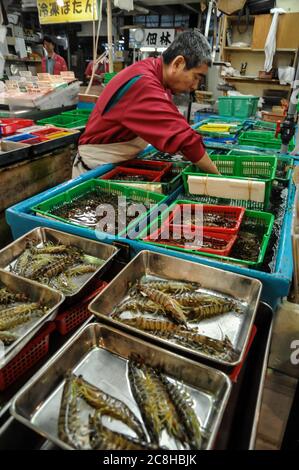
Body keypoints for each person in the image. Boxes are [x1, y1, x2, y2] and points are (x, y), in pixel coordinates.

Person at [72, 31, 219, 178]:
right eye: (196, 77)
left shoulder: (157, 77)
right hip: (94, 170)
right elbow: (185, 140)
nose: (195, 86)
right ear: (178, 63)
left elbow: (174, 128)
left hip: (117, 163)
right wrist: (218, 178)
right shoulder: (144, 83)